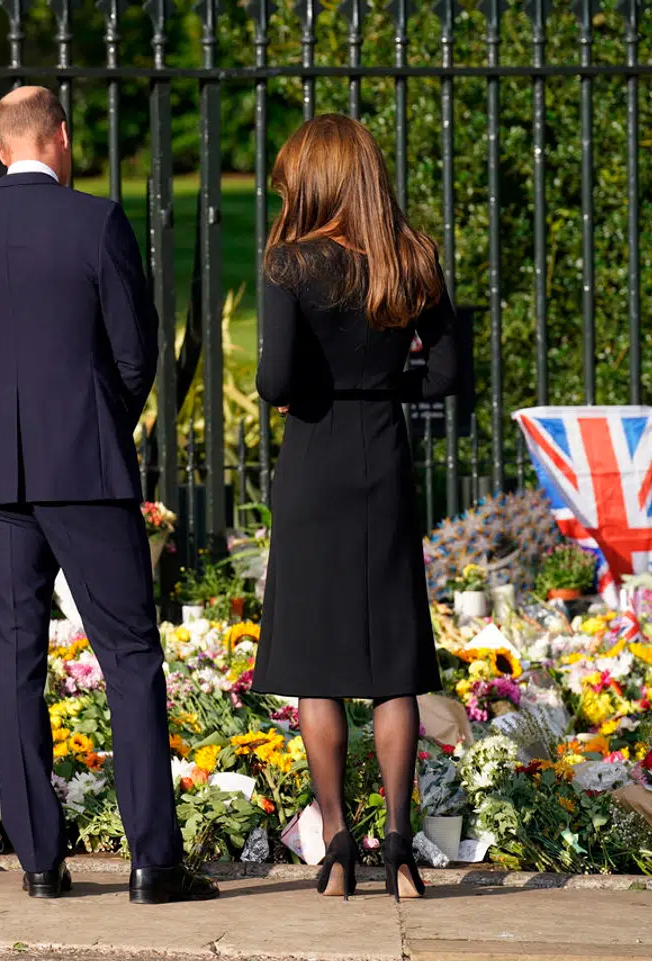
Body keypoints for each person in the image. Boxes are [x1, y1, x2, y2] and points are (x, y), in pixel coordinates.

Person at [0, 86, 218, 905]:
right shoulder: (96, 221)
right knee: (128, 656)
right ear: (59, 138)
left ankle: (40, 863)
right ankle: (153, 862)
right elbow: (135, 350)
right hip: (85, 466)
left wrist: (6, 412)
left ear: (0, 147)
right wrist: (95, 420)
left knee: (15, 660)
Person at [252, 114, 461, 903]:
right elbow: (446, 375)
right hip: (383, 457)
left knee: (319, 665)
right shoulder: (412, 256)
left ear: (313, 178)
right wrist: (382, 384)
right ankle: (400, 851)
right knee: (393, 663)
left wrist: (322, 386)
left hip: (314, 459)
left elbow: (276, 382)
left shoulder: (289, 262)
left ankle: (338, 846)